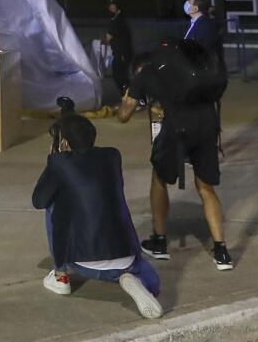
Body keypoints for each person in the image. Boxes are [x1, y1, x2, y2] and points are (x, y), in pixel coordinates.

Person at [31, 98, 163, 318]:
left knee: (52, 204)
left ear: (63, 143)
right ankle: (139, 281)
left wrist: (54, 159)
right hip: (127, 255)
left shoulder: (59, 164)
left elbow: (38, 200)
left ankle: (61, 275)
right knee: (135, 260)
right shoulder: (112, 156)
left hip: (84, 263)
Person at [118, 31, 233, 271]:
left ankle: (159, 241)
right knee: (205, 187)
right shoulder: (184, 69)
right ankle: (221, 251)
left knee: (159, 178)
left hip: (179, 127)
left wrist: (130, 97)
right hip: (208, 124)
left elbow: (123, 116)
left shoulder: (146, 73)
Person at [105, 2, 134, 96]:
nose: (111, 11)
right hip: (123, 52)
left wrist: (98, 42)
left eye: (113, 9)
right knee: (122, 75)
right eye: (110, 9)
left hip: (121, 53)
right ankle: (129, 95)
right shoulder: (120, 21)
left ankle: (129, 95)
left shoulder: (117, 21)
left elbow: (108, 38)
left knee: (119, 75)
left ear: (118, 10)